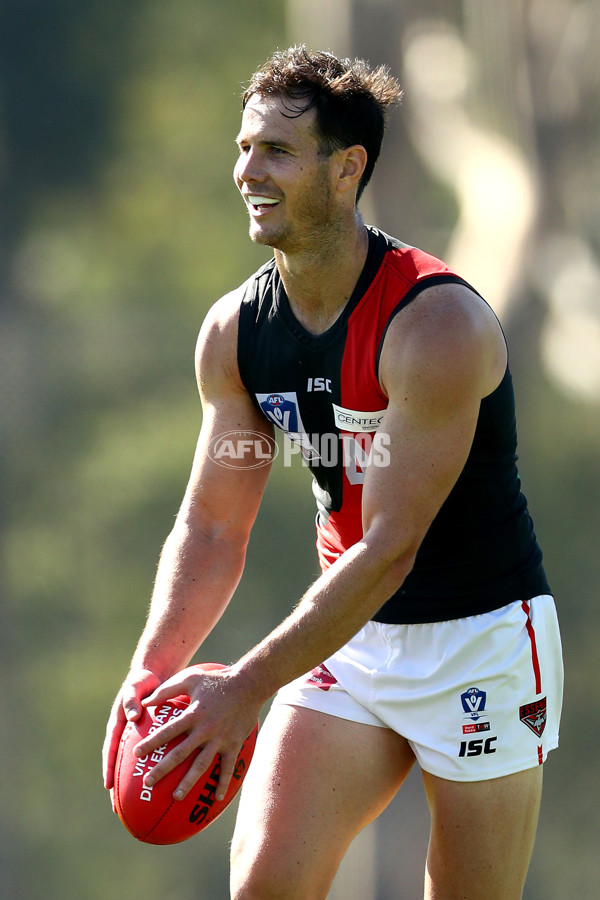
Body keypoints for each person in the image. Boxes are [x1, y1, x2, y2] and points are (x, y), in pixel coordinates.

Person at [102, 46, 563, 899]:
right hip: (350, 640)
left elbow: (390, 548)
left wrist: (244, 686)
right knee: (266, 886)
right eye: (243, 147)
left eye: (276, 150)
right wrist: (151, 668)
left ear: (347, 169)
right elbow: (213, 522)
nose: (247, 171)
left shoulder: (436, 328)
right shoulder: (235, 334)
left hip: (481, 645)